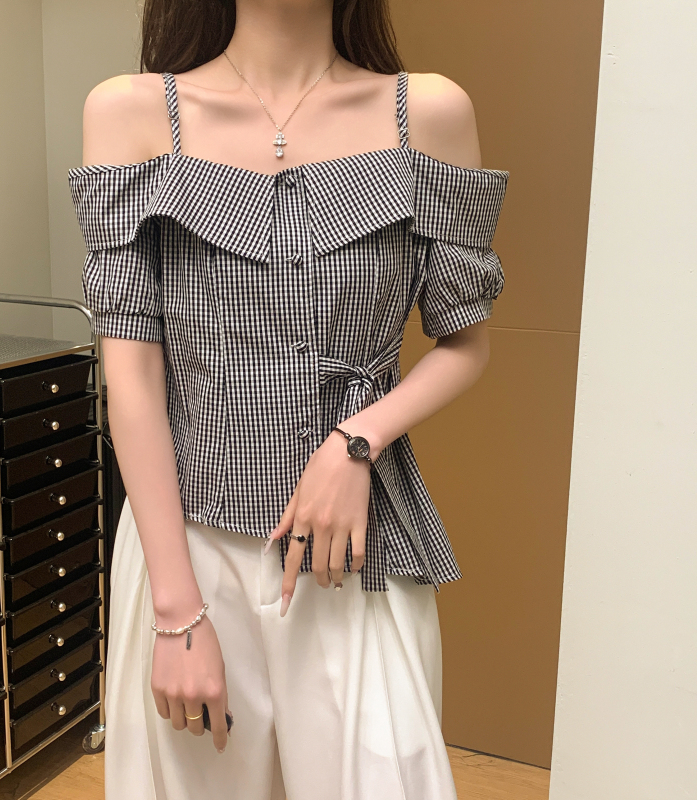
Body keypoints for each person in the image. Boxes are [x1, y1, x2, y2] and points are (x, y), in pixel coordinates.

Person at [68, 0, 508, 797]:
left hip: (353, 550)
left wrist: (357, 441)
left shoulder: (428, 113)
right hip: (187, 551)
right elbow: (131, 377)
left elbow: (465, 344)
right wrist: (176, 612)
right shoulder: (130, 114)